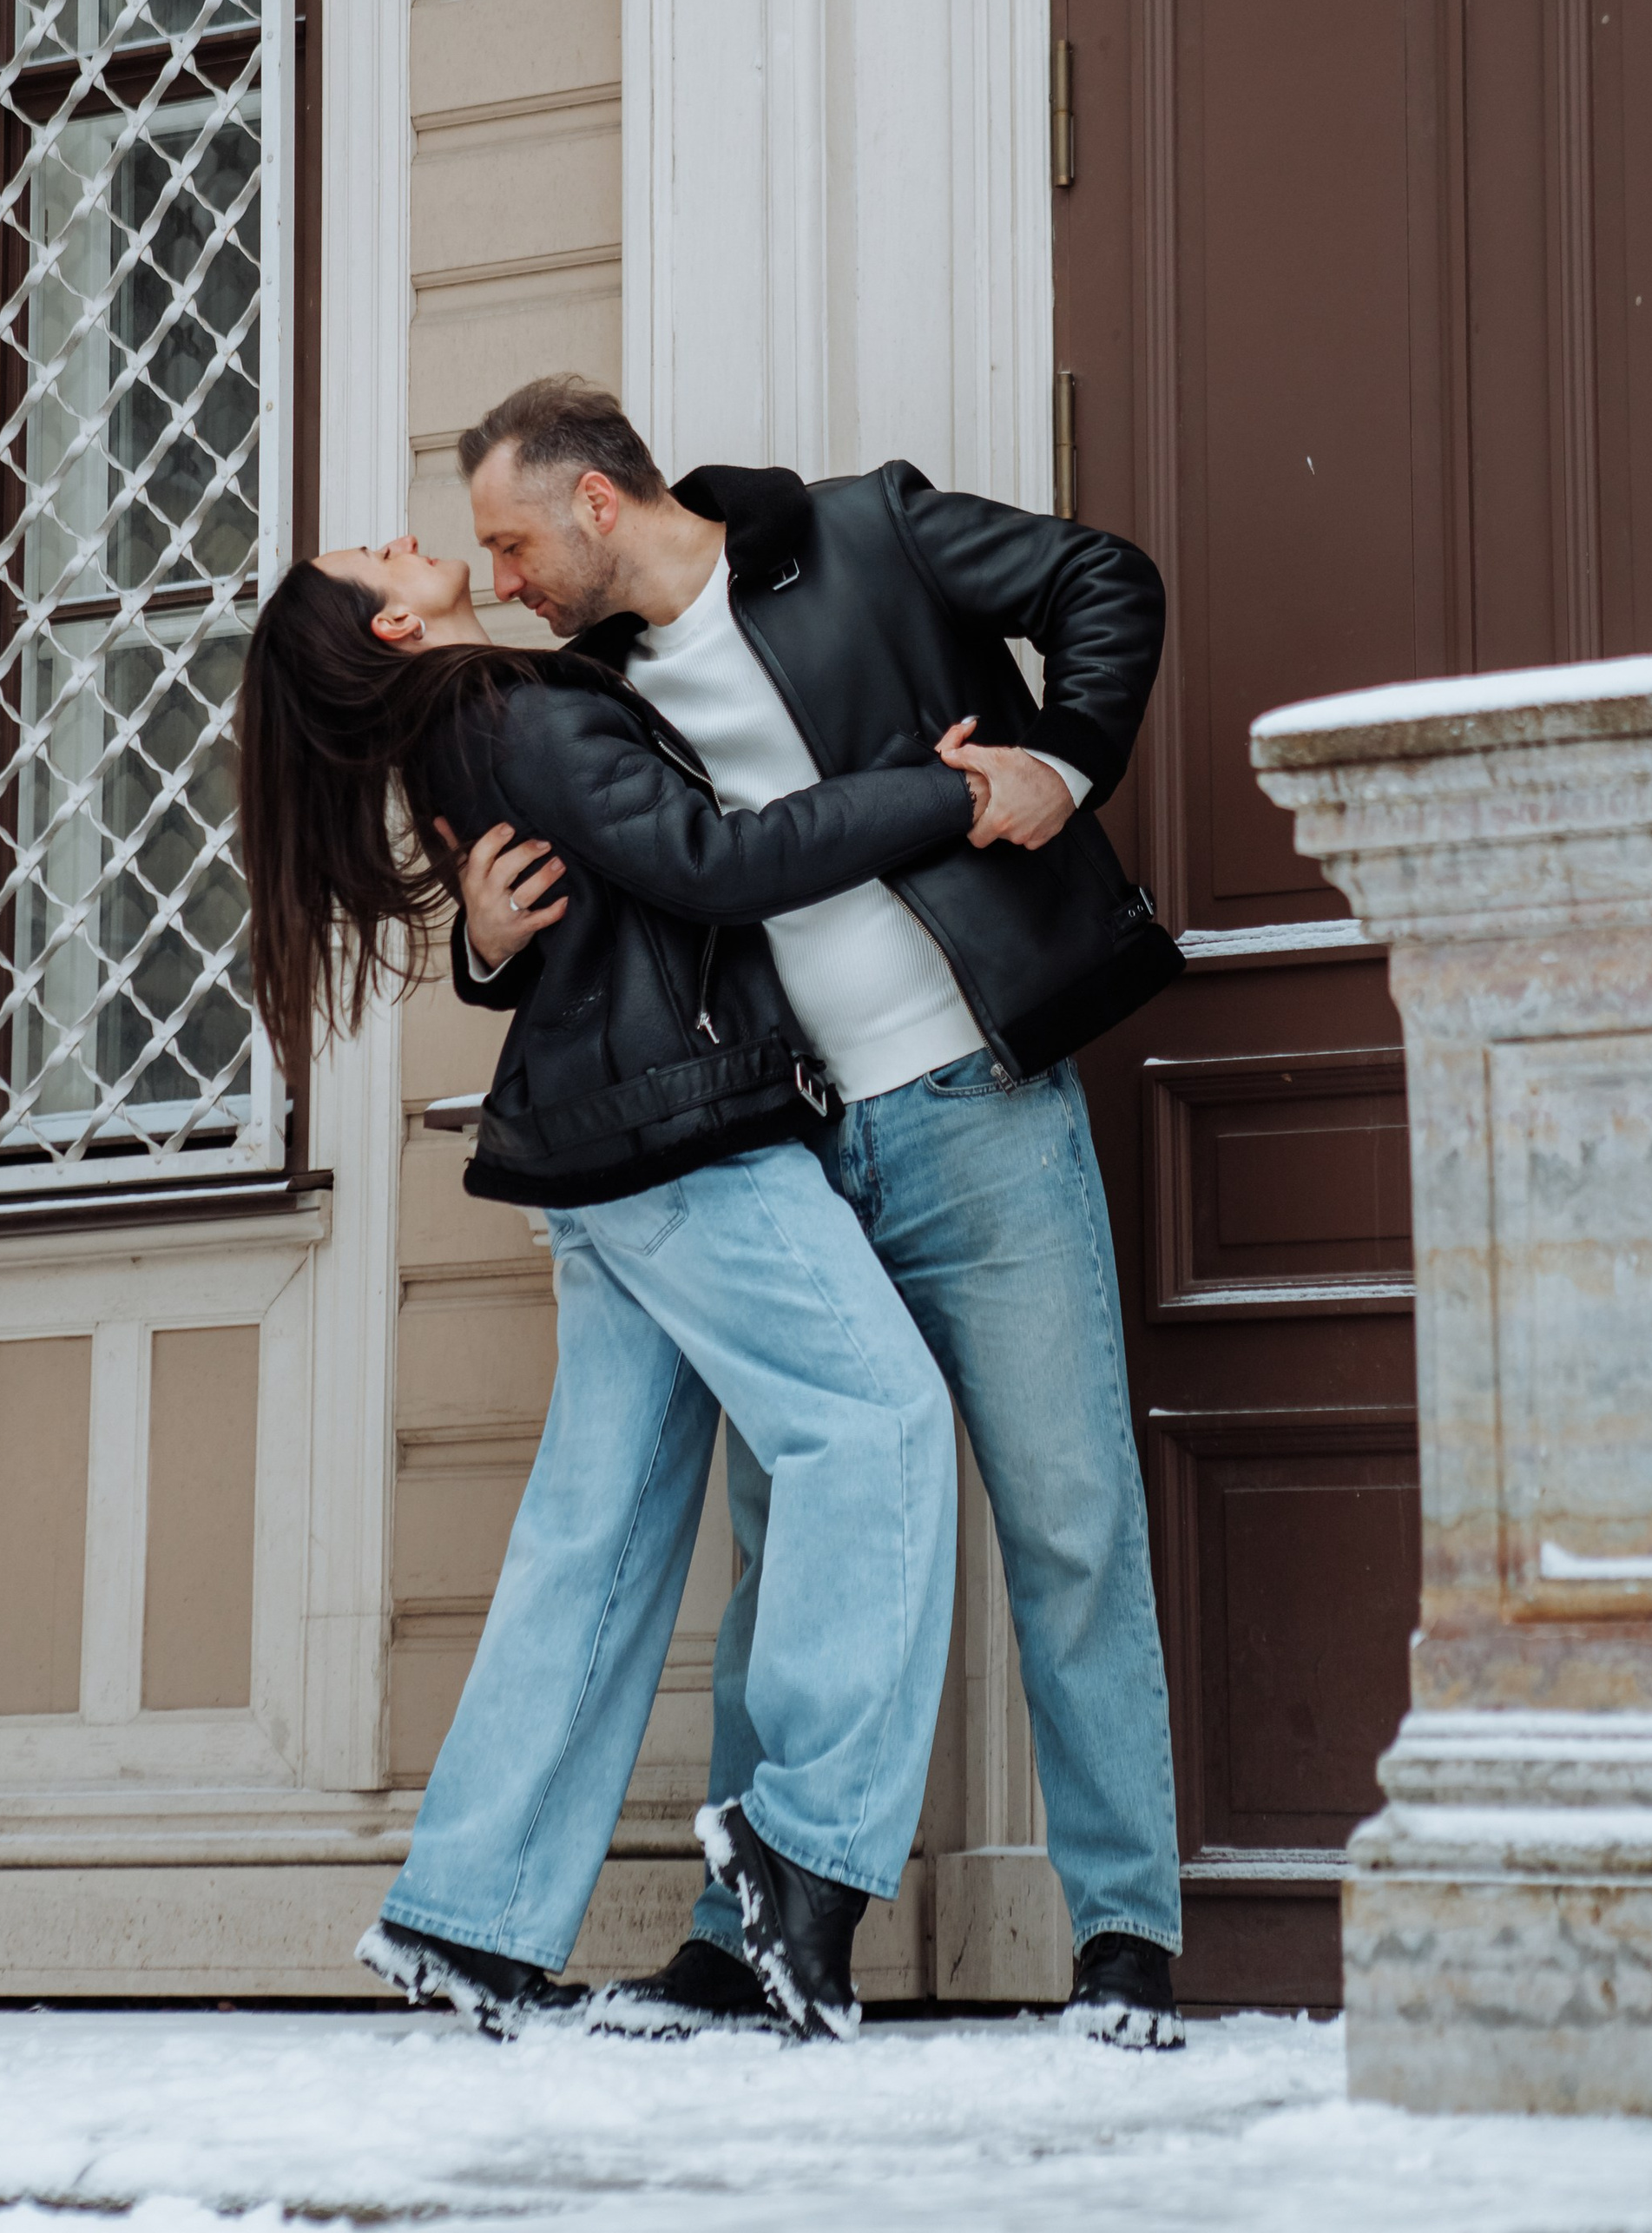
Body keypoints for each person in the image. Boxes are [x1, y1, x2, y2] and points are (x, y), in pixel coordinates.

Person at [449, 379, 1189, 2051]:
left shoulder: (862, 532)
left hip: (972, 1103)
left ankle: (1127, 1938)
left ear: (590, 503)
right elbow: (598, 929)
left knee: (1071, 1518)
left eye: (509, 542)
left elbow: (1106, 579)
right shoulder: (590, 699)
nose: (500, 582)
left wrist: (1065, 758)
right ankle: (747, 1938)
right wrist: (484, 949)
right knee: (788, 1550)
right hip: (778, 1149)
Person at [234, 531, 1024, 2040]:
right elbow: (714, 863)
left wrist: (483, 948)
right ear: (398, 622)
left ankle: (469, 1913)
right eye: (379, 553)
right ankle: (805, 1858)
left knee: (593, 1534)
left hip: (602, 1151)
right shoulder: (517, 716)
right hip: (680, 1148)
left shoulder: (482, 725)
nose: (413, 534)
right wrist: (951, 787)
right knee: (882, 1428)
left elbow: (595, 906)